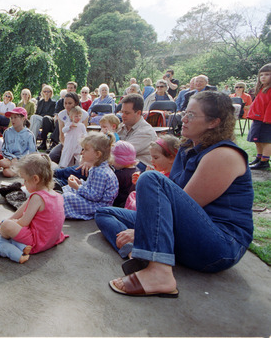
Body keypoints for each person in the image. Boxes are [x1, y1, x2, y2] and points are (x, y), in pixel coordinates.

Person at [96, 91, 253, 298]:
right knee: (104, 213)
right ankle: (137, 251)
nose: (183, 118)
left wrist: (142, 230)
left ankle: (159, 273)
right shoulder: (188, 148)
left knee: (150, 178)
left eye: (192, 115)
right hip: (189, 234)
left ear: (214, 122)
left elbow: (188, 205)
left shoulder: (224, 155)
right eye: (185, 112)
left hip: (219, 246)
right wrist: (145, 229)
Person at [0, 153, 68, 255]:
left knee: (7, 226)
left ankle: (0, 232)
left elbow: (24, 222)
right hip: (51, 239)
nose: (24, 183)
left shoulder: (37, 197)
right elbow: (24, 207)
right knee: (9, 221)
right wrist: (11, 218)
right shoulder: (56, 194)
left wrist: (8, 223)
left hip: (37, 241)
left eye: (25, 180)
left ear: (35, 179)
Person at [62, 132, 119, 220]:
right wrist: (80, 182)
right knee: (68, 188)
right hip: (94, 200)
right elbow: (91, 187)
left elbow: (95, 196)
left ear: (98, 154)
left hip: (98, 206)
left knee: (67, 197)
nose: (82, 152)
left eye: (86, 150)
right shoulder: (96, 167)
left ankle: (57, 208)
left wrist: (78, 187)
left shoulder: (101, 172)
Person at [125, 135, 181, 211]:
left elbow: (153, 196)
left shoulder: (170, 179)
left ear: (171, 158)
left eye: (155, 158)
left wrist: (145, 181)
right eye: (151, 157)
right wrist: (139, 182)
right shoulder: (160, 173)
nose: (152, 161)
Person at [117, 94, 158, 171]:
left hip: (141, 167)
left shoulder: (146, 132)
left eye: (127, 113)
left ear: (138, 113)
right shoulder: (122, 126)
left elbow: (123, 153)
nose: (123, 115)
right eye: (122, 112)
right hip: (124, 162)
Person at [48, 92, 89, 164]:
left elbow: (83, 134)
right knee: (53, 155)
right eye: (65, 103)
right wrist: (66, 146)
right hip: (67, 141)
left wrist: (80, 147)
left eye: (70, 103)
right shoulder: (61, 114)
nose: (67, 106)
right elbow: (61, 134)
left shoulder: (84, 114)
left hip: (78, 143)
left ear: (76, 103)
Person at [0, 107, 37, 177]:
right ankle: (21, 170)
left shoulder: (29, 134)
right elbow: (4, 150)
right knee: (2, 163)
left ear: (23, 119)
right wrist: (13, 158)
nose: (12, 120)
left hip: (23, 160)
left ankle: (20, 168)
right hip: (10, 160)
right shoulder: (7, 132)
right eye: (11, 118)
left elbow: (33, 152)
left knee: (7, 172)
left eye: (15, 117)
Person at [246, 63, 271, 170]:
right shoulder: (262, 89)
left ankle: (265, 161)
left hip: (266, 120)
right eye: (261, 75)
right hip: (257, 119)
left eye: (267, 74)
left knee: (266, 140)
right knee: (257, 139)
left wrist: (268, 120)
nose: (263, 77)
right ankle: (259, 157)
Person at [45, 81, 78, 150]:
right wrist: (57, 117)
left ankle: (56, 142)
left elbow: (78, 112)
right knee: (58, 121)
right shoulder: (61, 101)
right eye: (68, 88)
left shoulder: (77, 101)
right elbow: (57, 112)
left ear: (75, 89)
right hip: (62, 119)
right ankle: (54, 142)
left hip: (72, 120)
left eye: (71, 88)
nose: (69, 90)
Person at [110, 141, 139, 208]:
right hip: (131, 205)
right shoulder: (137, 170)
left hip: (119, 206)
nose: (112, 163)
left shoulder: (119, 175)